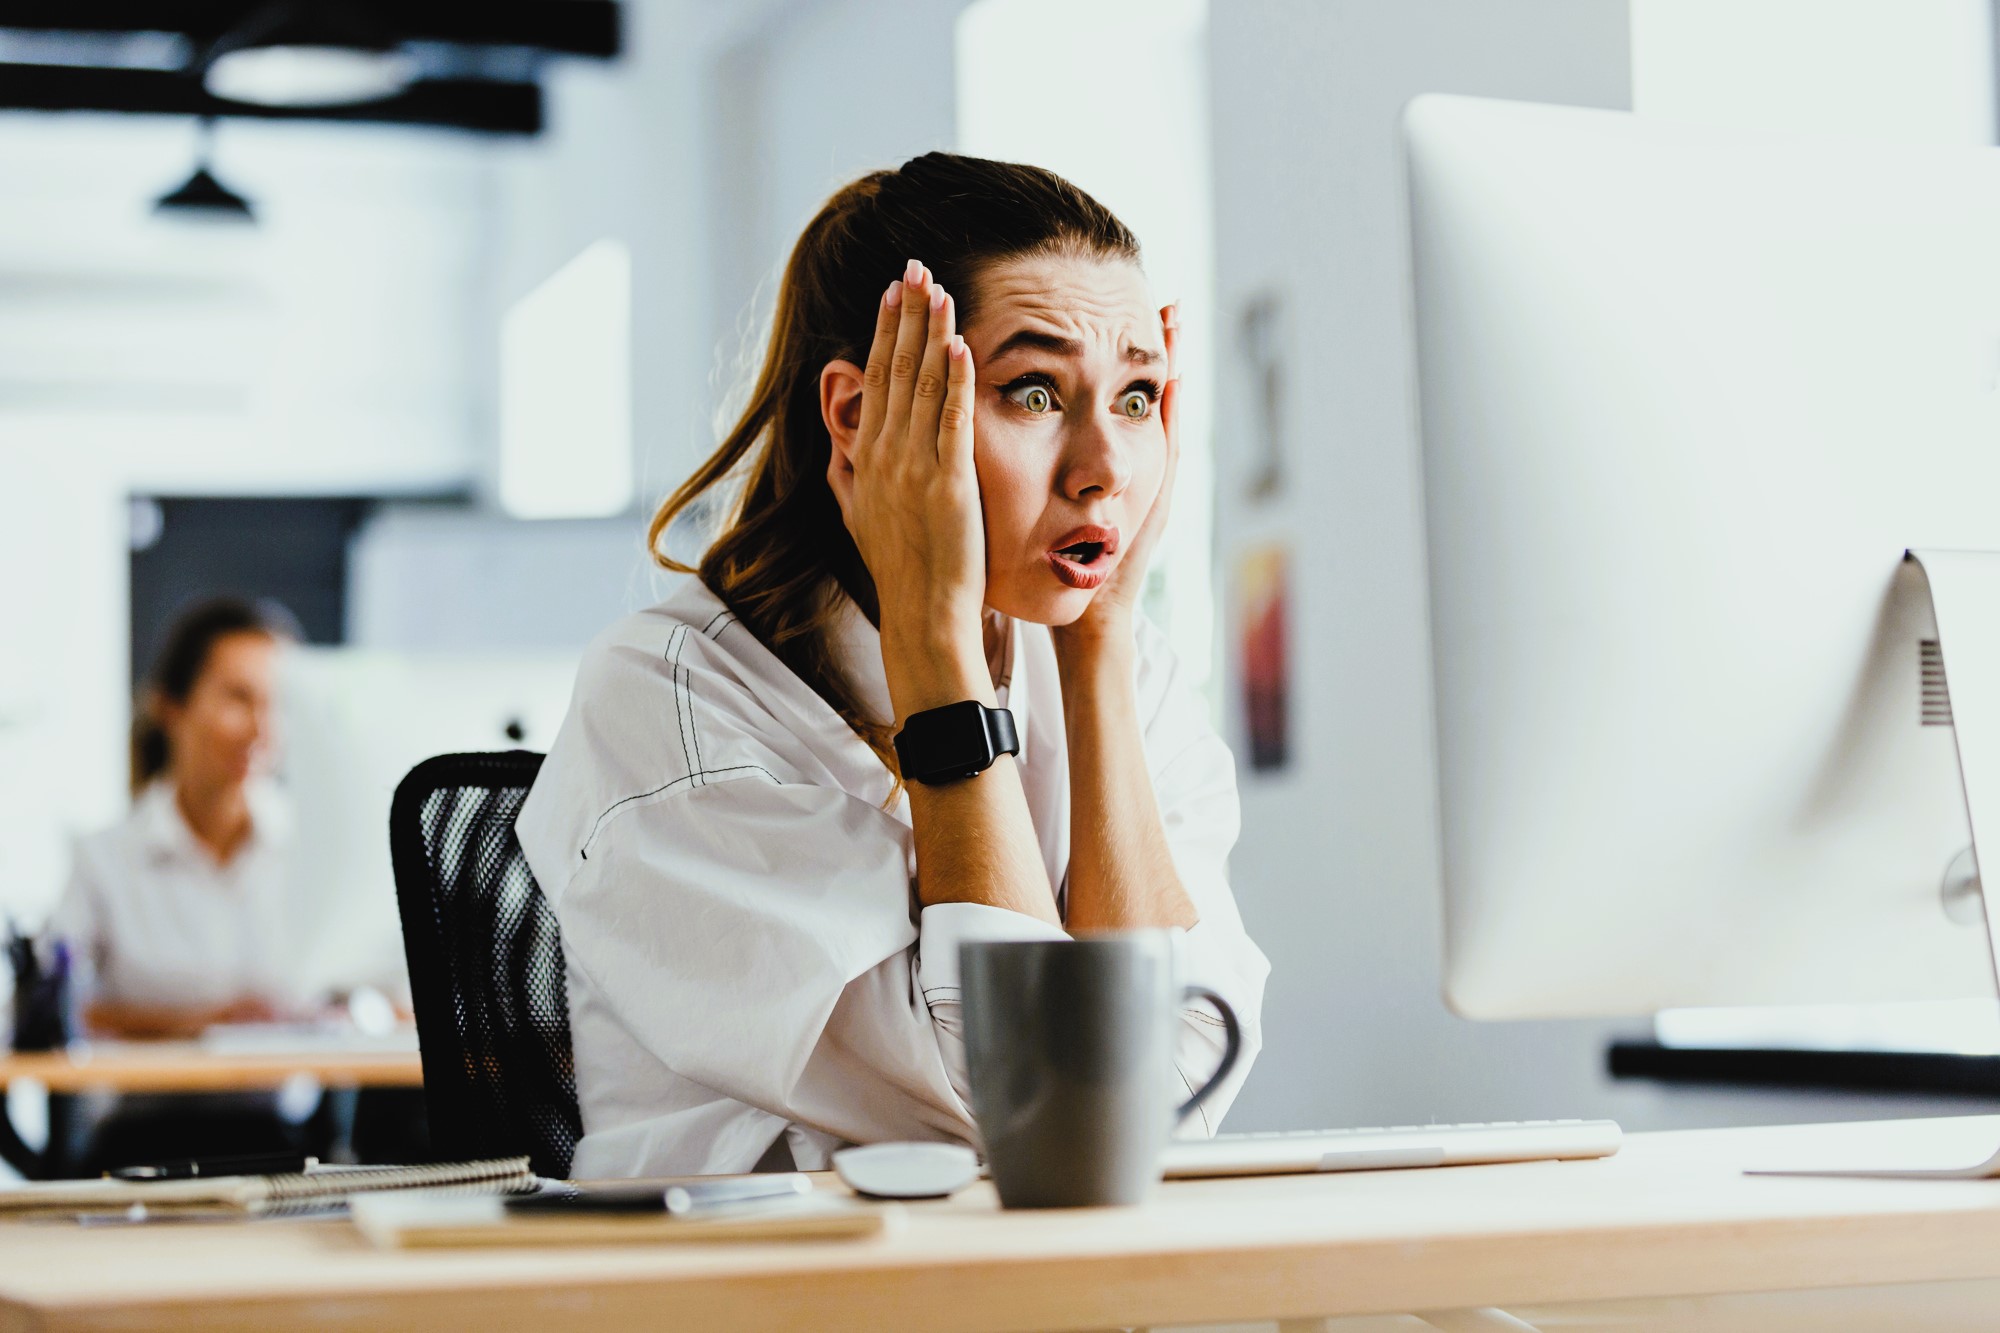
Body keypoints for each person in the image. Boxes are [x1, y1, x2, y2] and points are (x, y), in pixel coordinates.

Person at [518, 153, 1271, 1178]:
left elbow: (1169, 1101)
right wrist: (935, 653)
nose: (1103, 469)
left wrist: (1094, 662)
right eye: (1037, 391)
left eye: (1137, 398)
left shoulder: (1122, 669)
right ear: (858, 419)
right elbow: (1028, 1118)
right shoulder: (668, 704)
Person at [53, 597, 310, 1039]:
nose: (262, 729)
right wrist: (201, 1026)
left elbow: (389, 998)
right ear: (171, 706)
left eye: (278, 703)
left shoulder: (312, 849)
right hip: (146, 1105)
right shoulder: (105, 858)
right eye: (237, 698)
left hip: (295, 1104)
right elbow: (57, 1011)